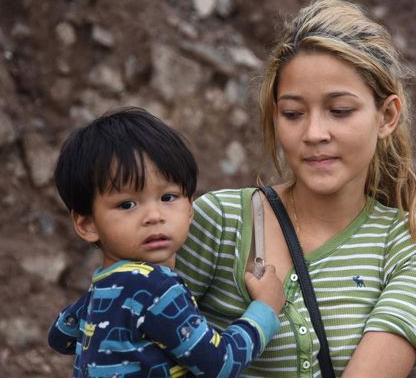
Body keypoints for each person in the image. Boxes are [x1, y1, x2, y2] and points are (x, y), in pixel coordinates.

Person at [176, 0, 416, 378]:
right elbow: (132, 344)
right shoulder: (219, 222)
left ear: (387, 116)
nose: (314, 134)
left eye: (340, 111)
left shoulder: (409, 243)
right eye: (293, 114)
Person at [48, 107, 286, 378]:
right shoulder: (156, 287)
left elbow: (59, 336)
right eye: (127, 204)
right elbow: (218, 364)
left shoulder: (103, 287)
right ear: (87, 224)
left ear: (190, 208)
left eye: (168, 197)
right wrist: (265, 309)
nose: (154, 216)